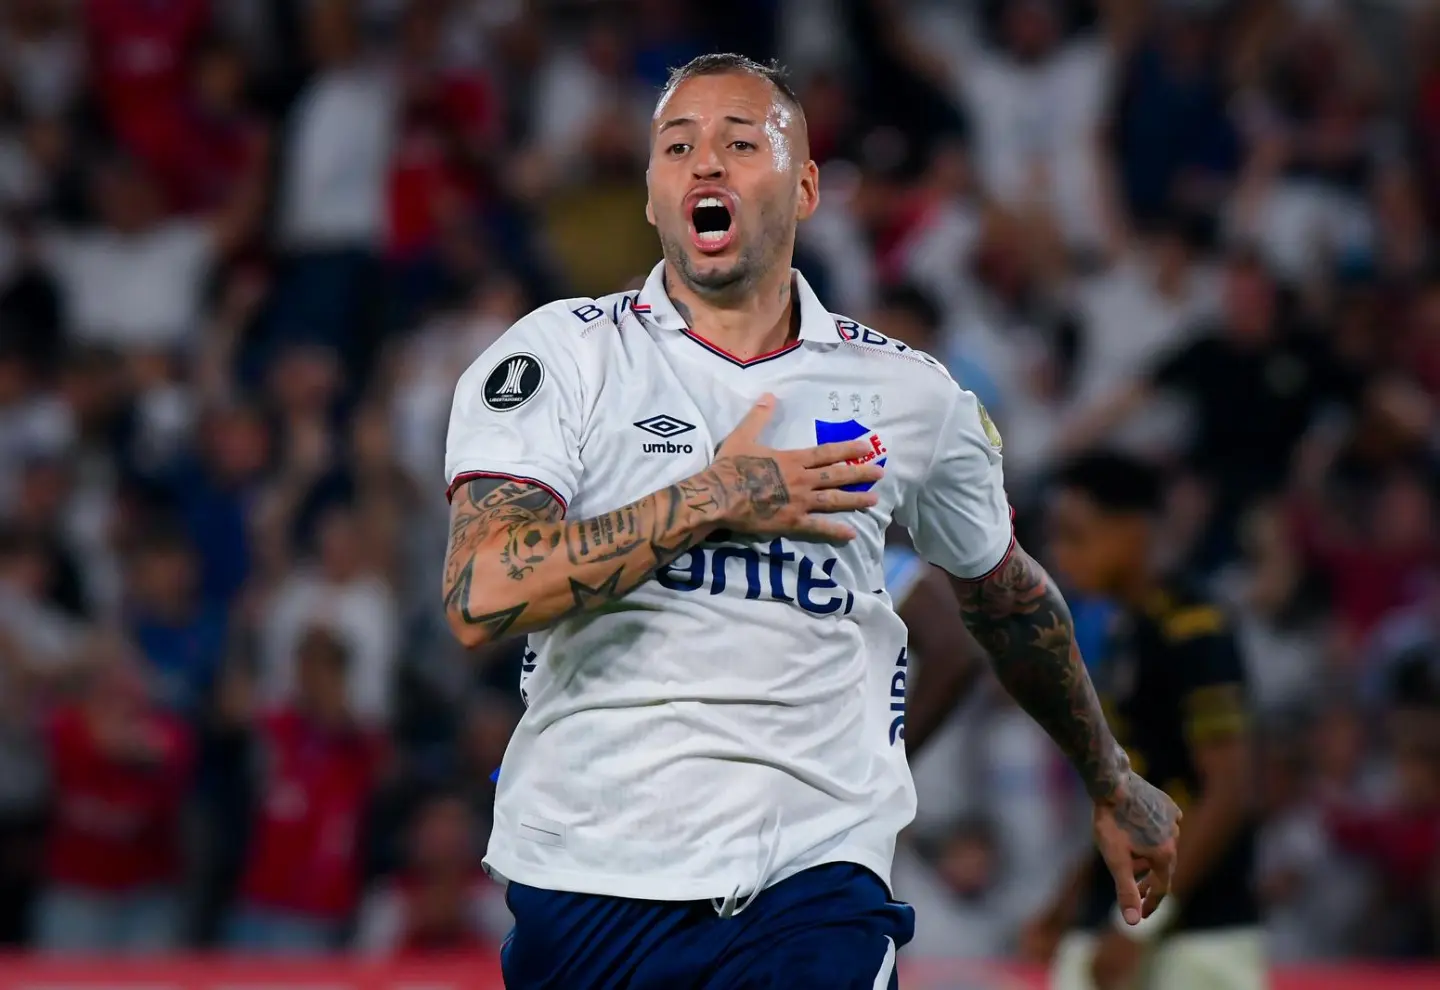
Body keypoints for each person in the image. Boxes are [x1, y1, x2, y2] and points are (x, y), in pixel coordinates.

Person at [441, 54, 1181, 989]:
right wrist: (714, 498)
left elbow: (1002, 597)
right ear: (652, 195)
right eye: (678, 147)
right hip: (589, 873)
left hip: (813, 878)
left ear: (804, 187)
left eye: (739, 143)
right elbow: (482, 592)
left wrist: (1109, 779)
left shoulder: (910, 395)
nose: (704, 163)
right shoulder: (562, 357)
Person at [1023, 452, 1262, 990]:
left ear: (1132, 531)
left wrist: (1136, 929)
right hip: (1127, 923)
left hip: (1198, 933)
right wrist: (1068, 901)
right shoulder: (1124, 634)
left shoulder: (1195, 627)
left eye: (1075, 535)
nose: (1061, 555)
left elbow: (1229, 788)